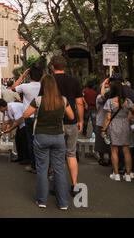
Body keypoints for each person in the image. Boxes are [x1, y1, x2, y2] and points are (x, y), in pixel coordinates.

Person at [23, 74, 74, 210]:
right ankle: (63, 203)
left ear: (43, 86)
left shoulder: (38, 100)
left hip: (41, 137)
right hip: (58, 137)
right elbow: (72, 116)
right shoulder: (63, 100)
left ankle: (42, 201)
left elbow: (25, 115)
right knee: (59, 170)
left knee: (42, 169)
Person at [48, 55, 84, 195]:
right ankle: (74, 185)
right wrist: (80, 120)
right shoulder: (74, 81)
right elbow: (80, 102)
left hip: (54, 123)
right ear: (65, 66)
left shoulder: (49, 81)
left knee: (55, 154)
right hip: (71, 122)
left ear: (52, 66)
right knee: (71, 153)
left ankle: (56, 185)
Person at [12, 65, 43, 173]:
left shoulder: (25, 86)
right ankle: (41, 164)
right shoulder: (43, 86)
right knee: (40, 141)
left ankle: (33, 164)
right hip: (41, 116)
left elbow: (13, 87)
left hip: (28, 116)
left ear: (29, 75)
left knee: (31, 141)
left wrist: (22, 76)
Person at [101, 81, 134, 182]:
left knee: (114, 150)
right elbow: (132, 115)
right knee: (126, 150)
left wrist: (103, 129)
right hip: (125, 125)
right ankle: (128, 175)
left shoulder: (110, 101)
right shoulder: (128, 101)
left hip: (114, 125)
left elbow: (108, 117)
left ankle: (116, 174)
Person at [0, 99, 29, 164]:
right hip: (20, 124)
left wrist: (10, 129)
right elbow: (6, 122)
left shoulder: (13, 107)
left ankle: (26, 159)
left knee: (24, 141)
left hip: (25, 123)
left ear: (1, 107)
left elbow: (18, 121)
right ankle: (20, 157)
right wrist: (1, 133)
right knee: (18, 140)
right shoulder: (6, 110)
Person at [95, 79, 111, 166]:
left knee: (109, 143)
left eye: (108, 87)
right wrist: (104, 83)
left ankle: (110, 159)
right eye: (105, 87)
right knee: (100, 143)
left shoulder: (112, 98)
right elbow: (103, 98)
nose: (107, 89)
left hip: (109, 123)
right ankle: (101, 158)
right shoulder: (99, 97)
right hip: (101, 122)